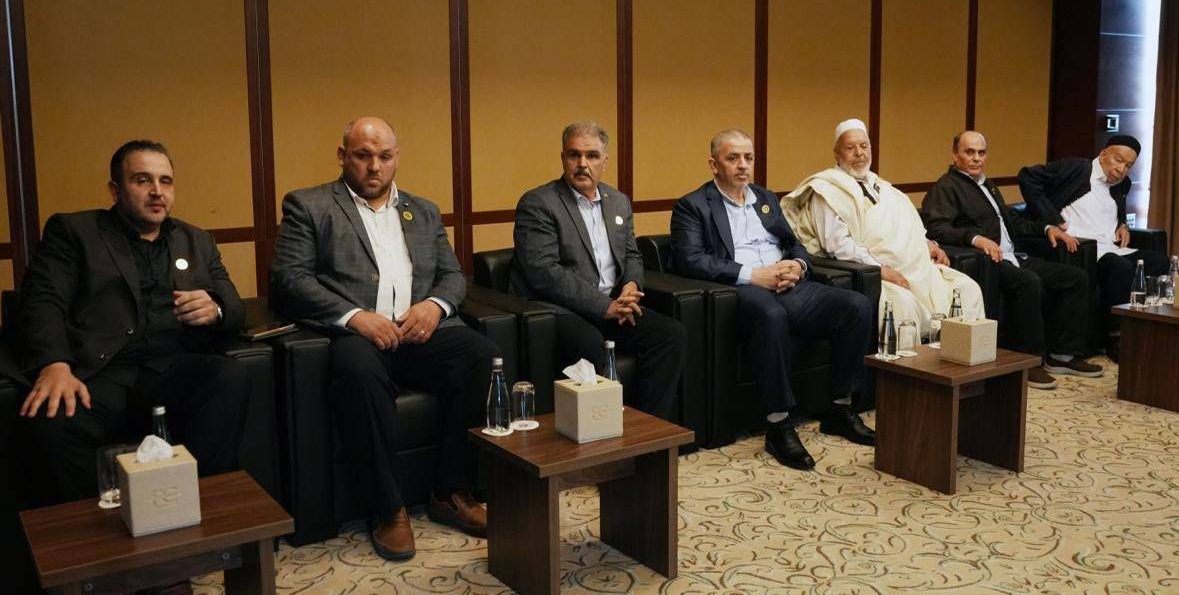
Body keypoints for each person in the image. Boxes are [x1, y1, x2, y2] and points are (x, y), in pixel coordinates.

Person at [270, 117, 495, 561]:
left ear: (396, 158)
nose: (375, 166)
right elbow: (289, 279)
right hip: (357, 336)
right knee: (359, 372)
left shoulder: (423, 210)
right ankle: (388, 508)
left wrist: (435, 307)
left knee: (481, 355)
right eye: (363, 155)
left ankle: (450, 491)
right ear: (343, 156)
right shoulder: (309, 205)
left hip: (418, 332)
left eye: (385, 156)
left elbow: (452, 275)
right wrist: (355, 317)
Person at [18, 140, 249, 505]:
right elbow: (42, 301)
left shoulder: (196, 240)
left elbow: (234, 307)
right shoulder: (75, 232)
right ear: (115, 190)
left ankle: (202, 508)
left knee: (229, 377)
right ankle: (95, 531)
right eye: (143, 180)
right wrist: (55, 366)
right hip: (99, 374)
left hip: (171, 369)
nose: (157, 191)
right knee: (51, 417)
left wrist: (216, 309)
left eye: (165, 181)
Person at [670, 129, 875, 471]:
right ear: (714, 164)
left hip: (790, 286)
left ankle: (840, 408)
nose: (743, 165)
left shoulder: (765, 198)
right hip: (743, 290)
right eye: (733, 158)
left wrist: (798, 265)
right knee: (771, 316)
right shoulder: (693, 205)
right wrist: (753, 275)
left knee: (856, 307)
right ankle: (778, 425)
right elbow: (690, 260)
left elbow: (794, 244)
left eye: (748, 158)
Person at [510, 122, 684, 421]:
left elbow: (631, 254)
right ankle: (601, 437)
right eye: (574, 155)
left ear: (605, 161)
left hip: (613, 303)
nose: (582, 164)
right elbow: (544, 272)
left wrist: (631, 286)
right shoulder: (539, 203)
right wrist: (605, 306)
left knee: (670, 335)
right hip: (558, 309)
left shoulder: (618, 201)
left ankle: (645, 428)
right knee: (590, 343)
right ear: (563, 158)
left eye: (591, 156)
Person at [922, 131, 1099, 389]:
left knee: (1075, 278)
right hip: (987, 261)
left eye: (981, 153)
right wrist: (975, 238)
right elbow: (937, 228)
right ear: (955, 155)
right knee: (1029, 282)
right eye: (969, 152)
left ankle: (1063, 355)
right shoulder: (946, 187)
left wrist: (1046, 228)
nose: (976, 158)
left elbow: (1011, 221)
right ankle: (1029, 362)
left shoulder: (988, 185)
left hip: (1014, 256)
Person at [782, 118, 984, 326]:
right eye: (850, 148)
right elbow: (838, 245)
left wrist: (927, 245)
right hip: (879, 271)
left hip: (918, 268)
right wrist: (881, 270)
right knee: (903, 305)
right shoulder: (826, 191)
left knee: (968, 289)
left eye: (864, 146)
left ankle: (960, 347)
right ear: (836, 153)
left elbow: (904, 226)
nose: (859, 153)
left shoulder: (883, 187)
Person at [1018, 135, 1170, 354]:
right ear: (1103, 154)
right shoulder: (1077, 169)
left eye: (1128, 165)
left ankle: (1146, 329)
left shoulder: (1122, 184)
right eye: (1118, 160)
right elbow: (1027, 176)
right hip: (1082, 249)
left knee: (1159, 261)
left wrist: (1122, 224)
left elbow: (1112, 208)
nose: (1121, 169)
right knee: (1120, 267)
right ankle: (1115, 338)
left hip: (1111, 245)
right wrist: (1051, 218)